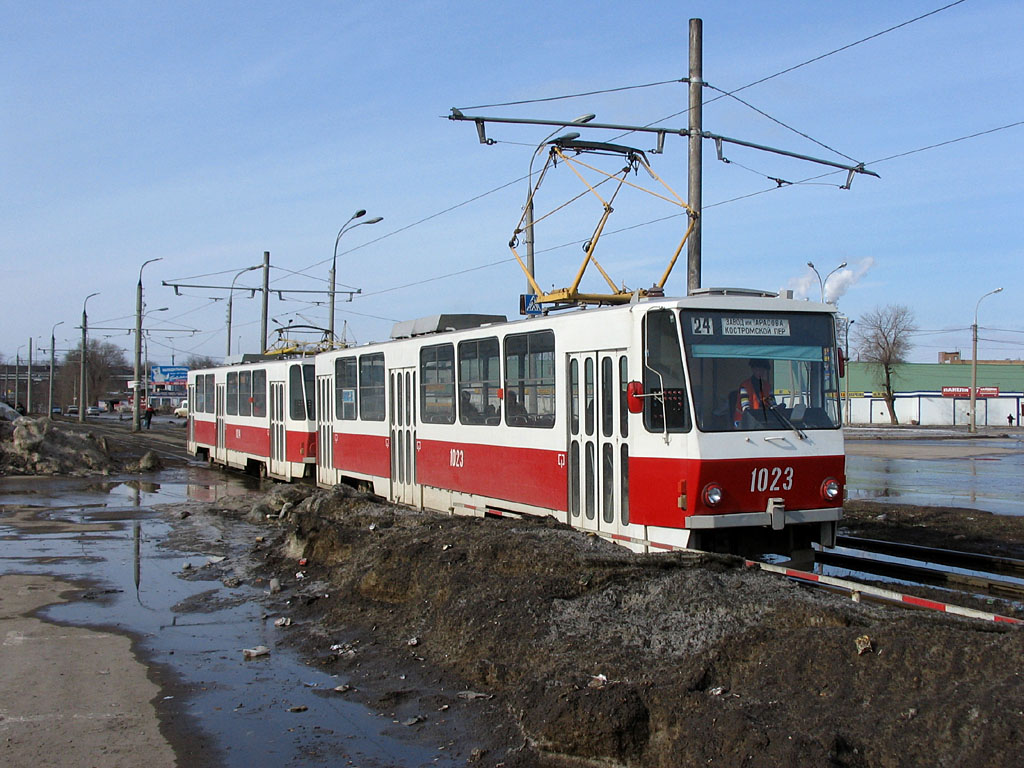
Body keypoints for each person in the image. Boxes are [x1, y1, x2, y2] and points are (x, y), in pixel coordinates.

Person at [733, 359, 775, 427]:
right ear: (753, 370)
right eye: (758, 370)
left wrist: (777, 408)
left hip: (762, 422)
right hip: (744, 423)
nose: (760, 372)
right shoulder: (744, 386)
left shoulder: (767, 386)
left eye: (762, 370)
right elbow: (746, 409)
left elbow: (772, 404)